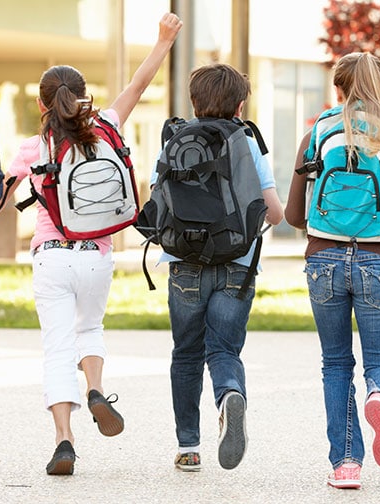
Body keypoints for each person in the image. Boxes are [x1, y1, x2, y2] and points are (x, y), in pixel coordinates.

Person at [0, 12, 182, 476]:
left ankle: (64, 440)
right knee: (91, 329)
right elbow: (139, 85)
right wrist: (162, 40)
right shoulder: (109, 125)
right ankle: (96, 388)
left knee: (57, 348)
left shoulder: (33, 147)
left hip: (52, 257)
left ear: (43, 105)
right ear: (82, 98)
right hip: (98, 254)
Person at [284, 52, 380, 489]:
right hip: (377, 260)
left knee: (336, 362)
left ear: (337, 88)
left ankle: (346, 464)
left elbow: (291, 213)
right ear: (379, 87)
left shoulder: (318, 133)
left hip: (323, 259)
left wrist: (321, 230)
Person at [154, 63, 284, 473]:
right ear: (240, 105)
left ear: (193, 101)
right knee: (223, 349)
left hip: (184, 265)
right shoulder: (246, 142)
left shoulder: (175, 139)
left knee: (186, 353)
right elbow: (276, 213)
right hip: (237, 264)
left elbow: (157, 202)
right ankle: (229, 394)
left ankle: (188, 447)